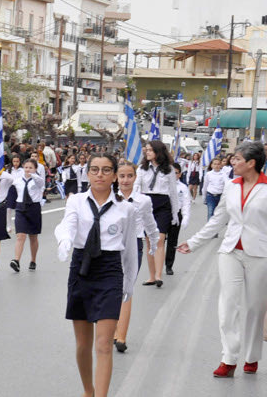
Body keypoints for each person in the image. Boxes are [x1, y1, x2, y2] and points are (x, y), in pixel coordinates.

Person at [178, 141, 267, 378]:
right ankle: (229, 358)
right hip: (230, 252)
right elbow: (218, 219)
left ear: (251, 163)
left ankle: (252, 356)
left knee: (253, 308)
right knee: (227, 306)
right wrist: (194, 242)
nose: (232, 162)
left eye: (237, 159)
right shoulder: (231, 186)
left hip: (261, 255)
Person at [54, 153, 138, 397]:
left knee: (104, 345)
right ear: (87, 173)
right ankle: (88, 390)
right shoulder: (76, 201)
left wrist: (129, 282)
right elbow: (67, 224)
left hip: (110, 272)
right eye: (94, 169)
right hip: (81, 269)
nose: (99, 174)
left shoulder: (126, 209)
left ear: (114, 175)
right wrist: (65, 240)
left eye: (105, 170)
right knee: (83, 344)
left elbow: (130, 249)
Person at [112, 162, 159, 353]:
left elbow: (150, 223)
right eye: (122, 176)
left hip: (134, 246)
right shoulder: (110, 198)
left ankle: (121, 335)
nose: (125, 180)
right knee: (112, 289)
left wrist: (154, 244)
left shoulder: (144, 200)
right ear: (116, 177)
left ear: (135, 177)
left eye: (129, 176)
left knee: (126, 288)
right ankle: (113, 329)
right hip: (112, 246)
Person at [135, 140, 179, 288]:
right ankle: (152, 276)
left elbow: (173, 192)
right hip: (147, 202)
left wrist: (175, 213)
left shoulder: (169, 169)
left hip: (163, 204)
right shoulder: (142, 168)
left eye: (150, 150)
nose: (147, 152)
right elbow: (136, 187)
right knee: (150, 242)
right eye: (146, 150)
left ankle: (159, 275)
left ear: (158, 152)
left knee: (160, 239)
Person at [9, 158, 44, 272]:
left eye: (30, 167)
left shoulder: (37, 180)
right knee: (20, 236)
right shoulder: (18, 180)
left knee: (33, 236)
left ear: (35, 169)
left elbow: (40, 182)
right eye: (26, 167)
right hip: (21, 208)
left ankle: (33, 260)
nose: (28, 170)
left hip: (33, 208)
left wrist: (33, 174)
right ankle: (16, 260)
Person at [164, 162, 191, 276]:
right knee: (159, 241)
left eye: (175, 173)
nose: (173, 175)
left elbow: (186, 203)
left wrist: (185, 217)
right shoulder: (163, 185)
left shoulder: (183, 187)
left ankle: (169, 266)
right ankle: (156, 265)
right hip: (163, 214)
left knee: (172, 241)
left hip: (176, 214)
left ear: (180, 174)